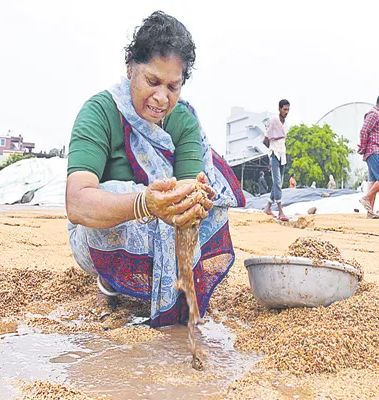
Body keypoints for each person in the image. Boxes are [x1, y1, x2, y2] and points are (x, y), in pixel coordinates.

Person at [66, 11, 245, 328]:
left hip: (160, 226)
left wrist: (194, 200)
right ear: (130, 67)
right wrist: (144, 203)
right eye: (152, 81)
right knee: (119, 192)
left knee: (210, 192)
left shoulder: (184, 122)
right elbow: (77, 203)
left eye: (173, 87)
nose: (162, 97)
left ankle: (169, 290)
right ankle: (108, 283)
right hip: (96, 237)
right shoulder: (100, 112)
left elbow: (188, 190)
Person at [357, 92, 379, 219]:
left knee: (373, 183)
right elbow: (364, 130)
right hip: (375, 151)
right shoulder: (373, 114)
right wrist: (363, 146)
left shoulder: (377, 115)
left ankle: (370, 212)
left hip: (375, 151)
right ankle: (366, 198)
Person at [263, 99, 291, 221]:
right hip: (274, 154)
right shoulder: (274, 121)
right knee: (278, 183)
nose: (286, 112)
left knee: (277, 183)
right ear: (279, 109)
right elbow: (266, 140)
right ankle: (280, 211)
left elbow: (283, 140)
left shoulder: (286, 124)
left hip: (282, 155)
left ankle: (268, 208)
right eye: (284, 109)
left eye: (288, 110)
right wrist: (272, 152)